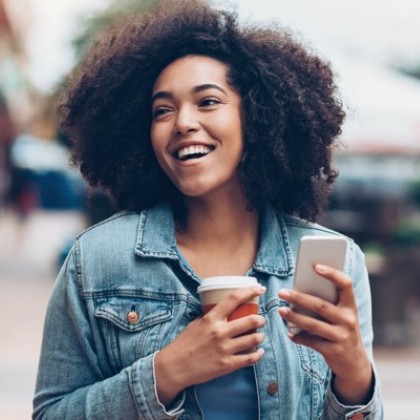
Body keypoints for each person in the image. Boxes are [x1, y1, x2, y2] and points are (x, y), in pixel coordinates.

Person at [33, 0, 383, 418]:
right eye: (162, 110)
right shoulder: (96, 260)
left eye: (208, 102)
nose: (182, 122)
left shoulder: (334, 264)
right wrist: (166, 372)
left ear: (256, 116)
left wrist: (355, 373)